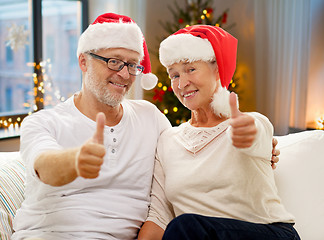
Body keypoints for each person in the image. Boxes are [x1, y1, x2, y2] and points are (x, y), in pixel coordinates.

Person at [12, 13, 171, 240]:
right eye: (114, 61)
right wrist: (75, 161)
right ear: (83, 61)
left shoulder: (151, 119)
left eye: (132, 65)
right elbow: (44, 166)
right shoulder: (43, 122)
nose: (124, 74)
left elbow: (165, 197)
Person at [138, 25, 300, 240]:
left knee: (186, 226)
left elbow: (256, 135)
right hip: (196, 234)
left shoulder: (250, 122)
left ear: (217, 69)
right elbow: (159, 217)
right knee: (185, 227)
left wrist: (246, 134)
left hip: (268, 233)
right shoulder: (168, 141)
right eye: (174, 75)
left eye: (190, 69)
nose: (182, 83)